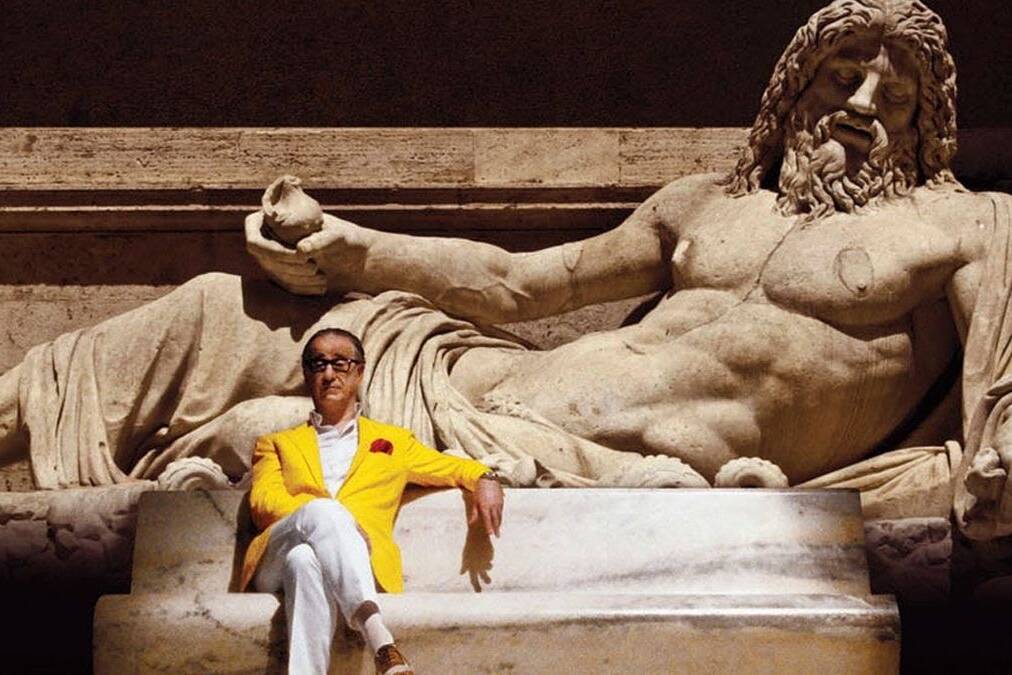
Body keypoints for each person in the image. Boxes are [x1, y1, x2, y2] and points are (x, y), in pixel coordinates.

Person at [1, 0, 1011, 538]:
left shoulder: (967, 226)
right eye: (844, 77)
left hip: (595, 458)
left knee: (257, 431)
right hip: (479, 378)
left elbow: (1000, 398)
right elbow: (523, 285)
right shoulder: (703, 205)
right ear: (795, 91)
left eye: (894, 94)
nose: (863, 105)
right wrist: (342, 245)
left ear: (926, 120)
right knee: (219, 310)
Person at [242, 327, 504, 675]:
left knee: (304, 561)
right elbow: (264, 503)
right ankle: (380, 639)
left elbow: (453, 468)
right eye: (318, 364)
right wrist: (337, 520)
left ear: (360, 372)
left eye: (340, 363)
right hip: (275, 554)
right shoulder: (276, 443)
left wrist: (486, 478)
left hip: (340, 560)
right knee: (321, 514)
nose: (329, 374)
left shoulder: (394, 442)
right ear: (307, 374)